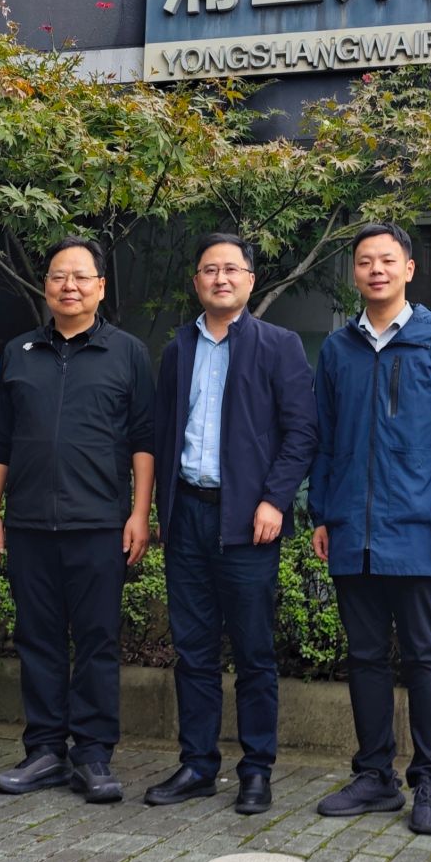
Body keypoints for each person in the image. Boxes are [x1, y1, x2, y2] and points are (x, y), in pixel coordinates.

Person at [309, 222, 431, 836]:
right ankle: (375, 776)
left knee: (424, 656)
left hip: (418, 526)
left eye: (387, 260)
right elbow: (325, 438)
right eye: (364, 261)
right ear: (354, 273)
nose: (375, 270)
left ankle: (429, 782)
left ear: (409, 268)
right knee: (364, 657)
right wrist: (322, 512)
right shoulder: (338, 349)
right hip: (352, 528)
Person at [143, 233, 317, 814]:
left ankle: (256, 770)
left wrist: (274, 501)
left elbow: (301, 433)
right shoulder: (179, 349)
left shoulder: (278, 345)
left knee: (252, 652)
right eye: (209, 270)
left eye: (231, 269)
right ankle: (197, 764)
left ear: (250, 279)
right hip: (187, 514)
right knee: (192, 650)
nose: (220, 278)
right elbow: (164, 432)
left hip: (248, 520)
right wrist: (160, 508)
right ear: (197, 281)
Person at [0, 237, 156, 804]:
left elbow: (143, 440)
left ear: (100, 286)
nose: (69, 286)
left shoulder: (127, 352)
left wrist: (140, 513)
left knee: (98, 641)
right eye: (58, 276)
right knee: (38, 640)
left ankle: (94, 753)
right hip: (29, 524)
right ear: (46, 286)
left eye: (81, 277)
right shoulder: (18, 351)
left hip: (100, 524)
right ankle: (45, 751)